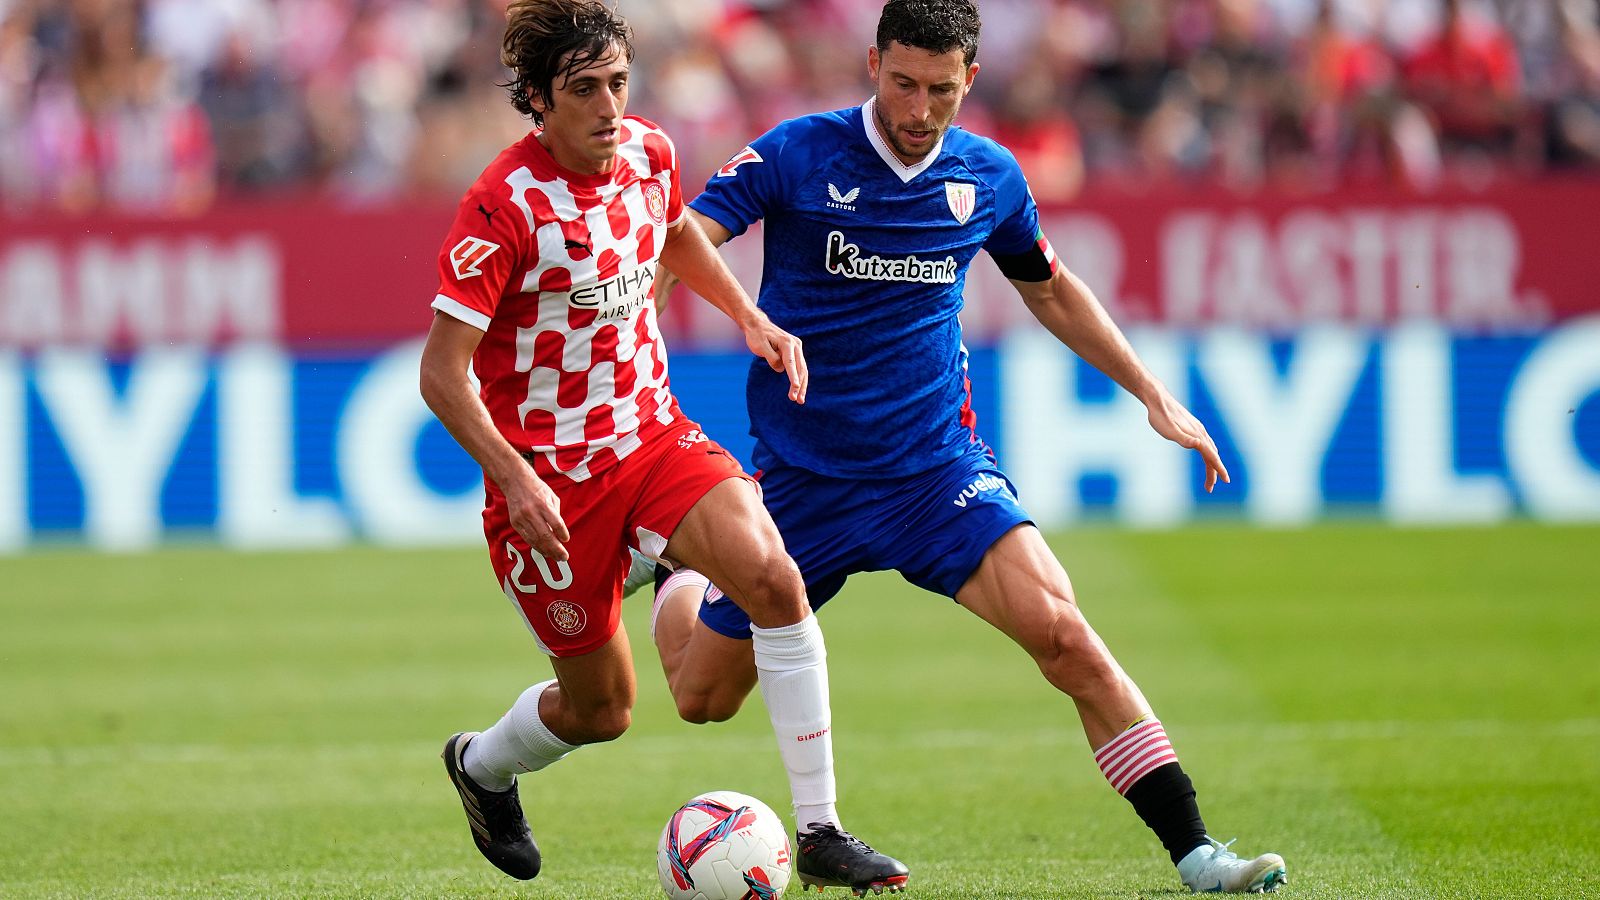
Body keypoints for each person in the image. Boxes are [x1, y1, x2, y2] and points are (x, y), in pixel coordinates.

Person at [650, 0, 1288, 893]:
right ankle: (680, 576)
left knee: (1066, 636)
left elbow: (1052, 290)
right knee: (700, 699)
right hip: (805, 484)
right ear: (872, 63)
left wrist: (1152, 393)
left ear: (970, 81)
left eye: (940, 91)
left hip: (936, 476)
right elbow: (679, 241)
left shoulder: (989, 176)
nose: (918, 110)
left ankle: (1197, 853)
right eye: (903, 83)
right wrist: (723, 323)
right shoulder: (796, 152)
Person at [417, 0, 906, 891]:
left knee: (774, 577)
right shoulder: (502, 205)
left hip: (651, 435)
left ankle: (823, 830)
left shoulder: (646, 151)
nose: (608, 107)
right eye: (583, 90)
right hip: (553, 486)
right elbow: (441, 374)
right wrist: (512, 476)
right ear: (536, 97)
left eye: (617, 83)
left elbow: (674, 231)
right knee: (603, 711)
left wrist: (748, 316)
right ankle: (482, 766)